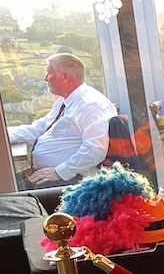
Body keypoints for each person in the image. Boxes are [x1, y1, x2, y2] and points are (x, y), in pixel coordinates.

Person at [8, 52, 117, 187]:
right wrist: (4, 136)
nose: (45, 78)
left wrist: (61, 172)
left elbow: (95, 150)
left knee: (8, 191)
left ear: (65, 76)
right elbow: (40, 128)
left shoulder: (91, 104)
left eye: (49, 72)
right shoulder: (65, 101)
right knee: (7, 185)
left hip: (70, 181)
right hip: (48, 174)